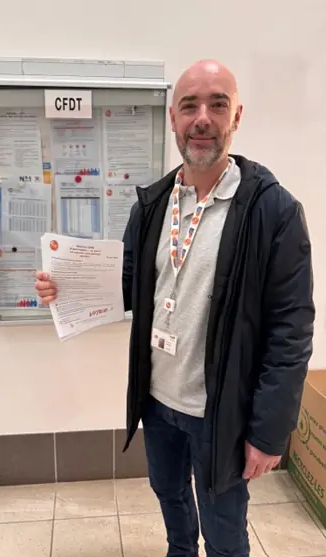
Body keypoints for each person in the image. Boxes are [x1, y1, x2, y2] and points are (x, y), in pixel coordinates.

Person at [35, 59, 315, 557]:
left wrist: (270, 433)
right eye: (189, 106)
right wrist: (67, 287)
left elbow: (290, 331)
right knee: (169, 495)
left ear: (236, 116)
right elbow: (128, 284)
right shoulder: (154, 204)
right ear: (173, 118)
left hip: (220, 413)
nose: (202, 118)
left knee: (224, 531)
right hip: (158, 400)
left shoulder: (273, 211)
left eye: (217, 105)